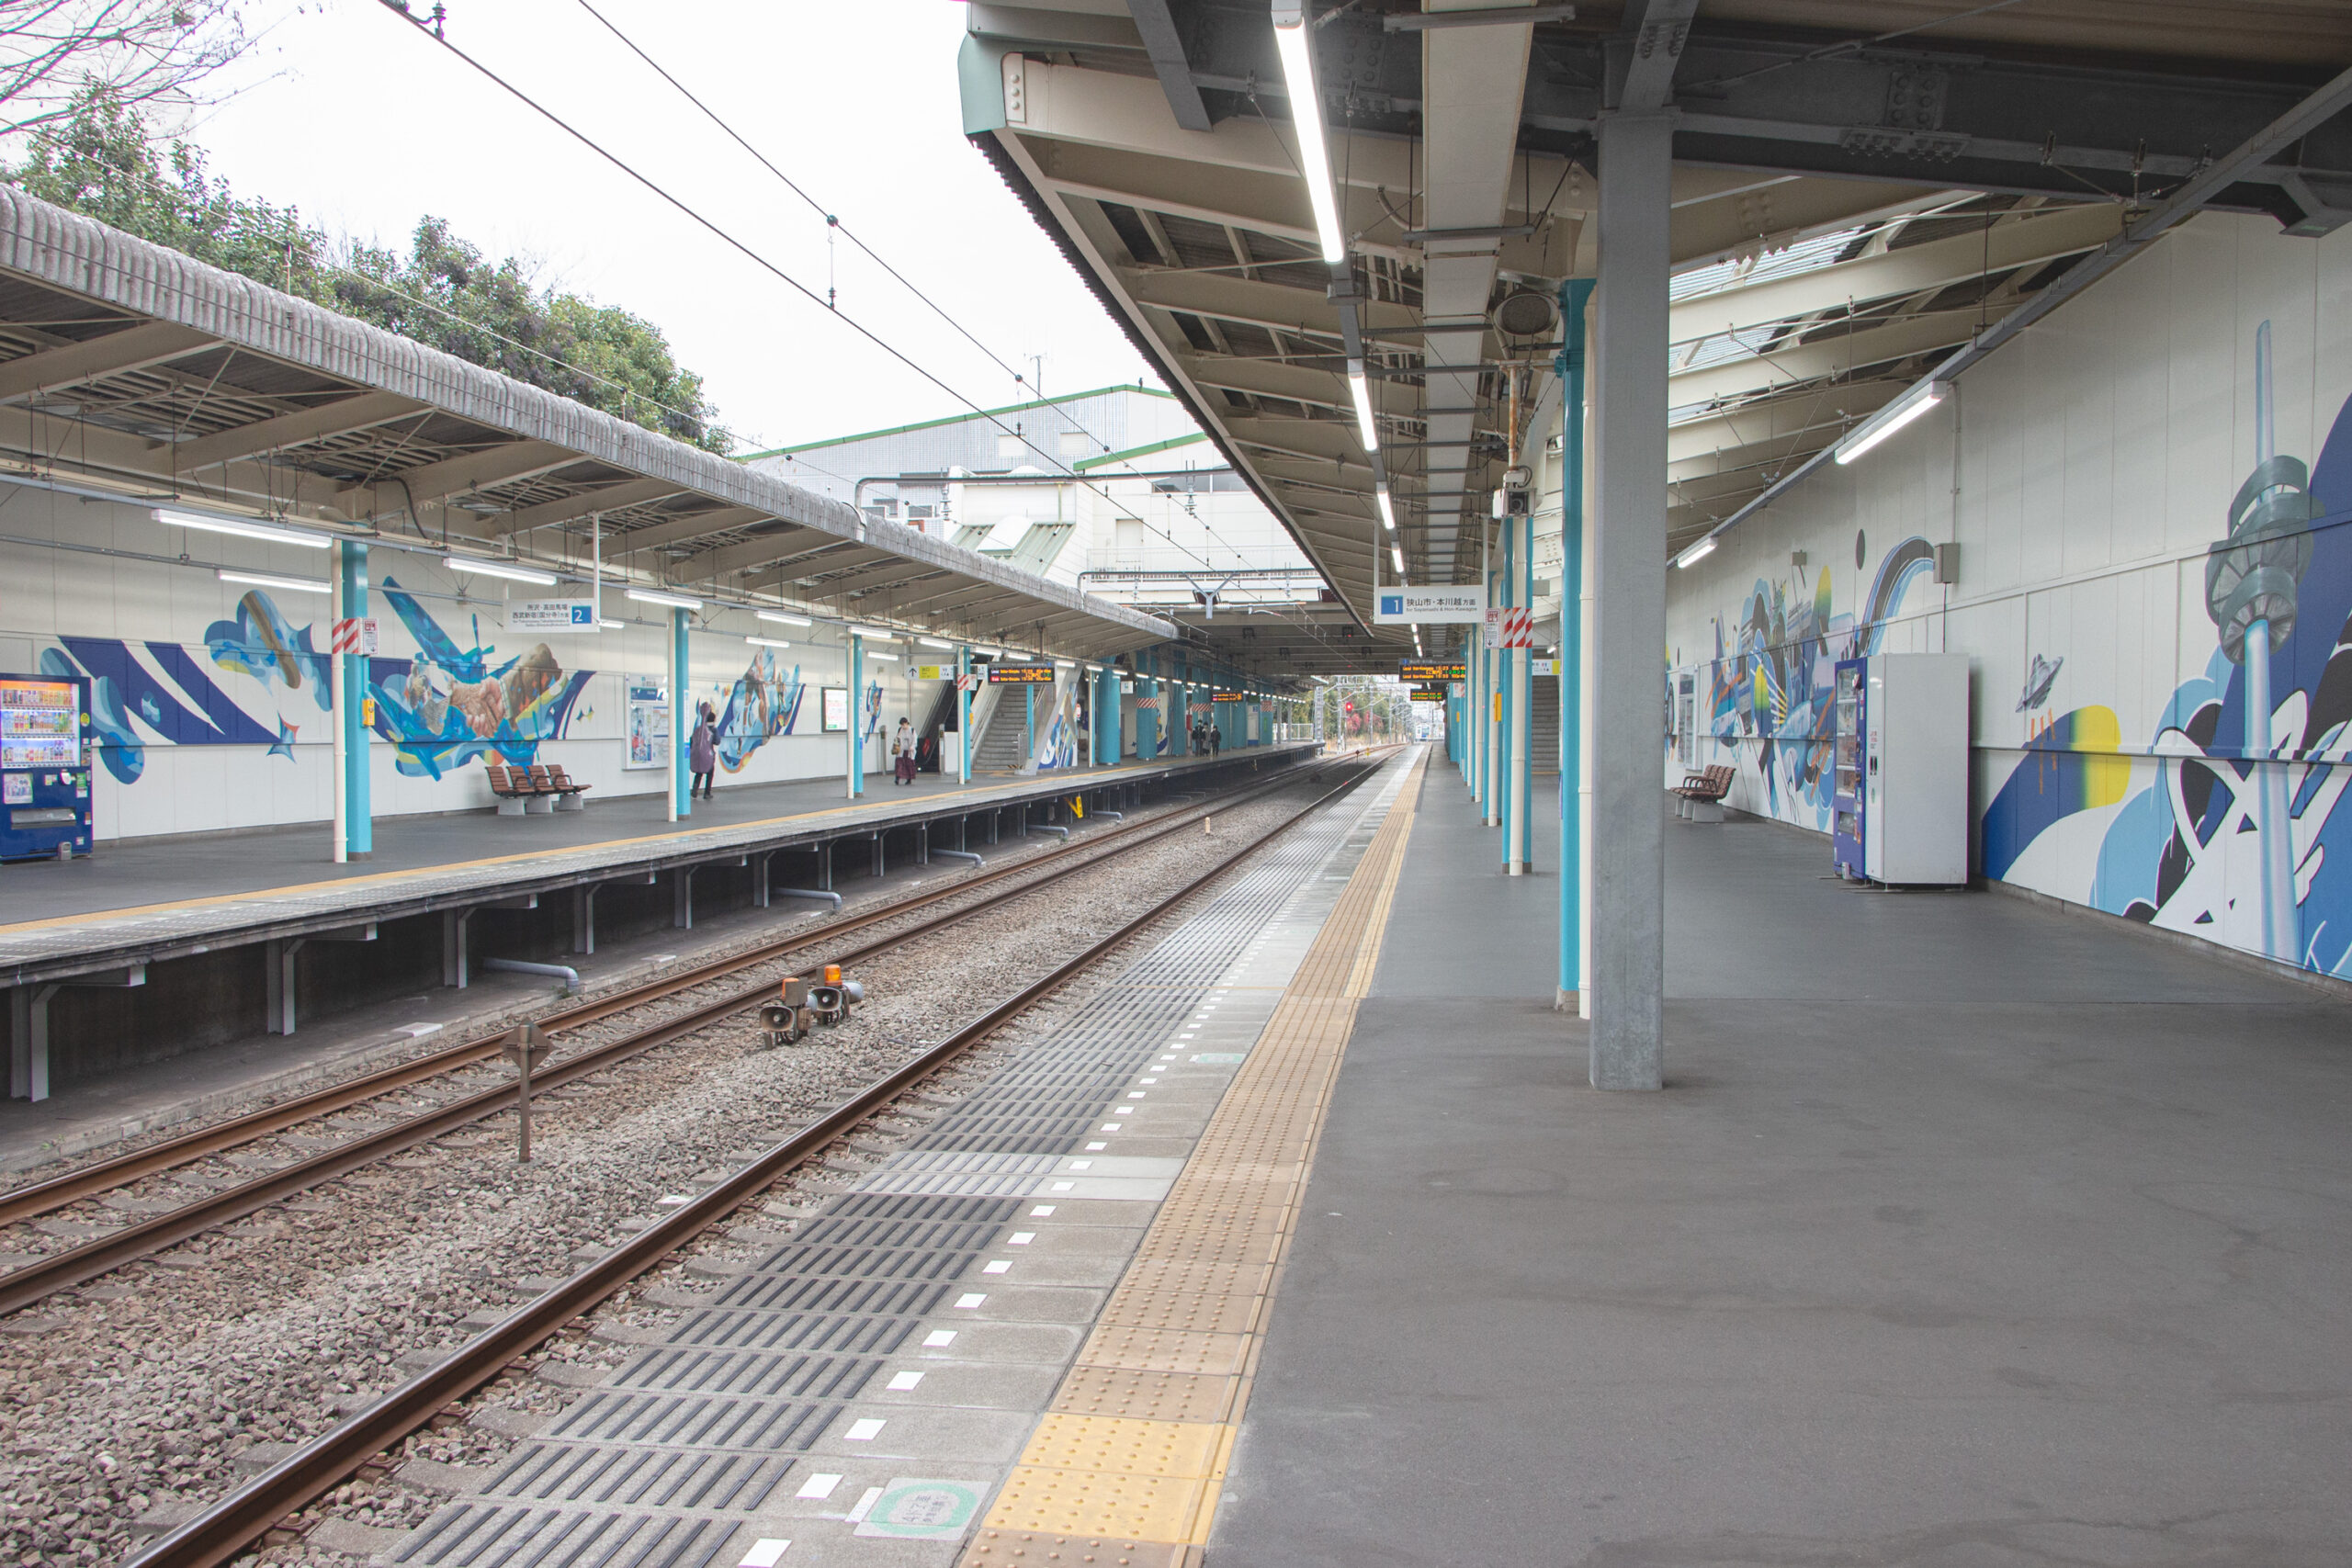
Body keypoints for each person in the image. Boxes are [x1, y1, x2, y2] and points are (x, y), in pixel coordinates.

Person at [688, 702, 717, 800]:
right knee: (710, 772)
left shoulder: (698, 729)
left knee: (699, 772)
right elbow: (717, 741)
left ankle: (694, 790)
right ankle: (707, 793)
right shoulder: (713, 730)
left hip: (697, 754)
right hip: (708, 754)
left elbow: (692, 741)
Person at [892, 716, 916, 785]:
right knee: (899, 764)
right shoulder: (900, 730)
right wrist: (896, 746)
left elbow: (915, 740)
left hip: (909, 750)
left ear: (907, 723)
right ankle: (897, 778)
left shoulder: (912, 730)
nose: (903, 726)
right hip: (901, 750)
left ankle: (909, 779)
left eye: (903, 724)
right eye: (901, 725)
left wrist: (912, 746)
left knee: (909, 765)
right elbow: (897, 738)